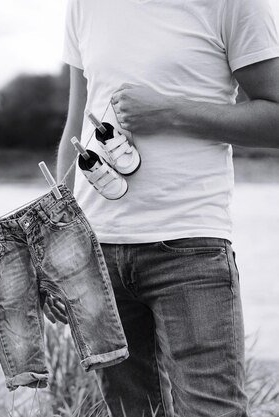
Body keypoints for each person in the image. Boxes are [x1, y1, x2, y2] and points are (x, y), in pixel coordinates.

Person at [53, 0, 279, 416]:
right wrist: (55, 242)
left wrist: (171, 113)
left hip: (190, 249)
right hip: (95, 253)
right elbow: (76, 127)